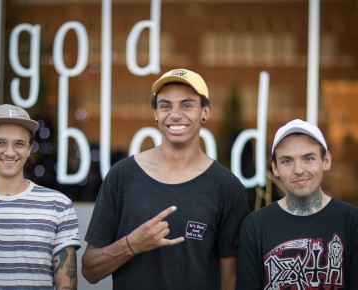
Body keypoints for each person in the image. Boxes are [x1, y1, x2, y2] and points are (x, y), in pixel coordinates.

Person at [81, 68, 250, 290]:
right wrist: (132, 244)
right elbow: (90, 271)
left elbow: (230, 281)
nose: (175, 114)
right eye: (165, 105)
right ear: (156, 114)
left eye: (187, 105)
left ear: (205, 112)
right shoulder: (122, 175)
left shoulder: (227, 187)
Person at [0, 104, 81, 289]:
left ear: (30, 148)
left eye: (19, 143)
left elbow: (67, 285)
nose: (9, 152)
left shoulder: (59, 206)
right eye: (0, 142)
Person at [236, 119, 358, 290]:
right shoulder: (255, 226)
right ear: (275, 168)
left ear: (326, 161)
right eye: (287, 161)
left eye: (308, 158)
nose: (298, 170)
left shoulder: (352, 222)